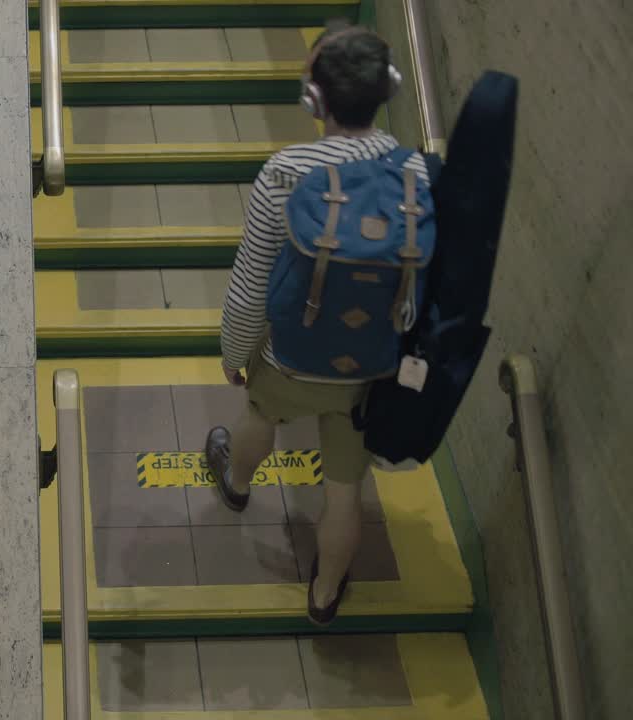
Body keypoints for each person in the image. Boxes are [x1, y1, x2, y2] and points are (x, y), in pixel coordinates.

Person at [206, 21, 431, 626]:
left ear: (314, 98)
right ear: (387, 90)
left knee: (260, 414)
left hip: (290, 355)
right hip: (372, 364)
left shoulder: (284, 172)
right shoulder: (418, 175)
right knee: (343, 491)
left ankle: (237, 483)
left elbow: (253, 280)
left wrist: (234, 348)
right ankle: (326, 593)